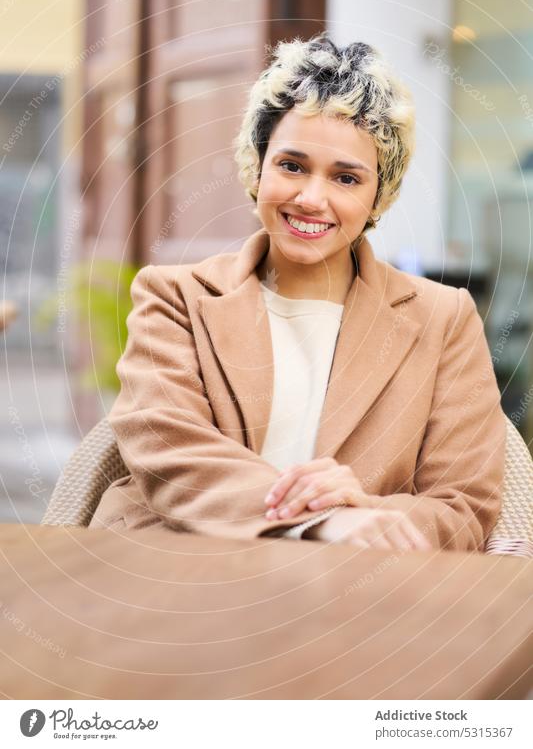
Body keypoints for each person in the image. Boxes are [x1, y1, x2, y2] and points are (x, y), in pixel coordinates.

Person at [89, 32, 506, 552]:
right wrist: (317, 518)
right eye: (292, 165)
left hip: (354, 593)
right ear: (258, 164)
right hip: (177, 572)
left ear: (380, 193)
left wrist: (365, 515)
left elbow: (463, 505)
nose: (311, 198)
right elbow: (167, 450)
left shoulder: (444, 318)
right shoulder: (174, 296)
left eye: (346, 178)